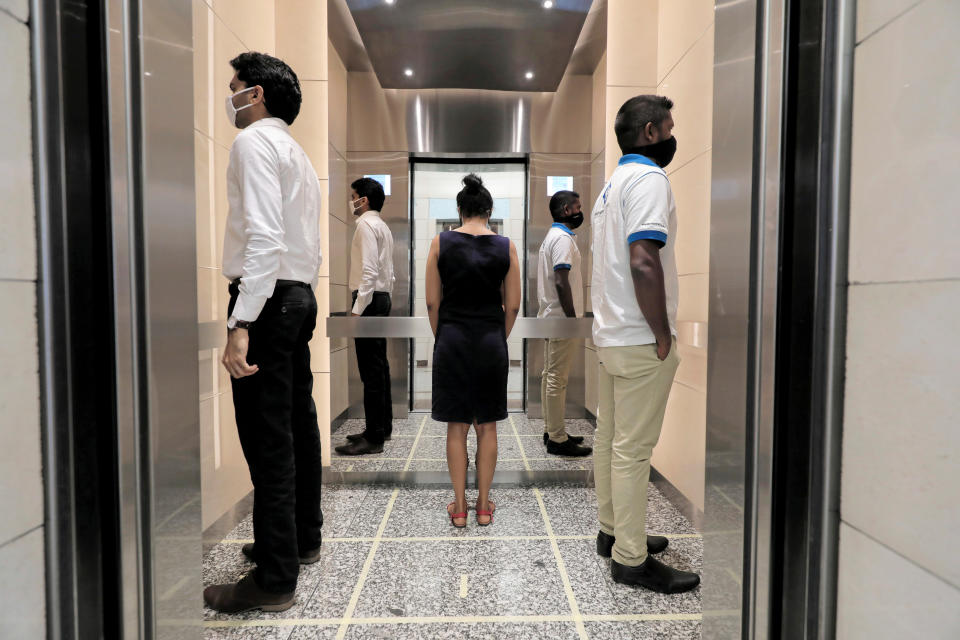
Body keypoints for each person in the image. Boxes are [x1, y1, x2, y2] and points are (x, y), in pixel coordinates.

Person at [204, 52, 324, 613]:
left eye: (234, 88)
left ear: (256, 95)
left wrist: (241, 322)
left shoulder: (253, 144)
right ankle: (301, 538)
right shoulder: (296, 154)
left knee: (266, 434)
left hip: (268, 299)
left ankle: (275, 580)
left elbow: (264, 239)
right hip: (297, 296)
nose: (229, 97)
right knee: (297, 421)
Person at [590, 95, 700, 593]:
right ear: (652, 131)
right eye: (670, 127)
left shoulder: (610, 186)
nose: (674, 135)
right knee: (633, 452)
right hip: (638, 338)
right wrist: (661, 332)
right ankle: (631, 560)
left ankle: (614, 532)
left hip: (610, 337)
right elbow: (642, 260)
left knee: (611, 443)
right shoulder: (651, 180)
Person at [426, 174, 521, 528]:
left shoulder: (439, 243)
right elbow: (512, 305)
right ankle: (484, 507)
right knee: (488, 427)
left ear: (459, 210)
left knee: (456, 426)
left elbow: (432, 302)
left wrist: (444, 336)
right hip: (490, 341)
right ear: (488, 210)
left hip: (451, 339)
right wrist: (498, 336)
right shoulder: (506, 246)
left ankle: (460, 507)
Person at [335, 178, 396, 456]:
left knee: (371, 371)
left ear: (364, 200)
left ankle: (373, 438)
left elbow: (369, 272)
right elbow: (388, 273)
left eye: (354, 196)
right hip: (381, 298)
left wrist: (358, 308)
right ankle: (382, 426)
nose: (352, 201)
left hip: (369, 299)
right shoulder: (382, 226)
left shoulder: (365, 226)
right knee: (379, 366)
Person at [536, 190, 593, 457]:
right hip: (561, 320)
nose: (581, 210)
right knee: (556, 379)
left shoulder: (554, 236)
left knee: (551, 376)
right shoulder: (561, 239)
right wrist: (572, 320)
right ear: (566, 210)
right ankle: (557, 439)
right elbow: (561, 280)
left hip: (552, 319)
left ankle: (552, 429)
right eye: (577, 206)